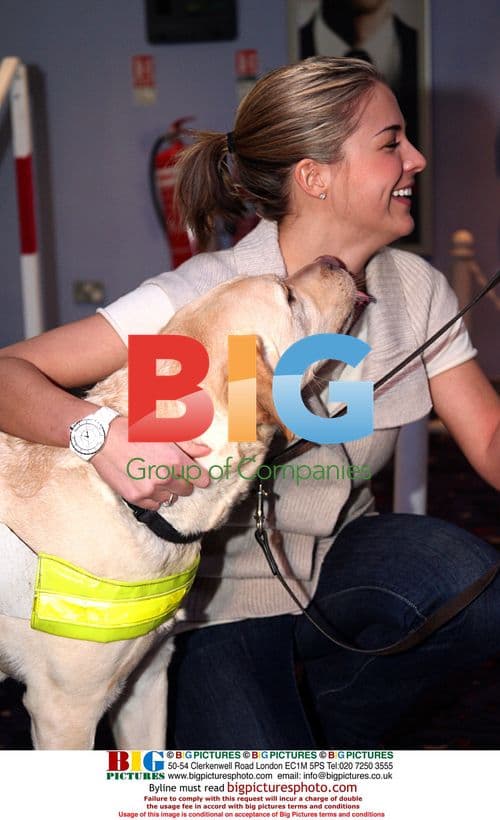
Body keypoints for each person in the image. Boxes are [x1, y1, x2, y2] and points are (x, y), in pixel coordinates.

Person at [0, 58, 499, 749]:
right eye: (391, 143)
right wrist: (99, 434)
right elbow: (8, 372)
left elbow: (492, 437)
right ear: (314, 176)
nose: (416, 158)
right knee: (260, 789)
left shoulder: (413, 288)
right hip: (212, 602)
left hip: (339, 563)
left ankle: (325, 722)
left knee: (466, 584)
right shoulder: (206, 298)